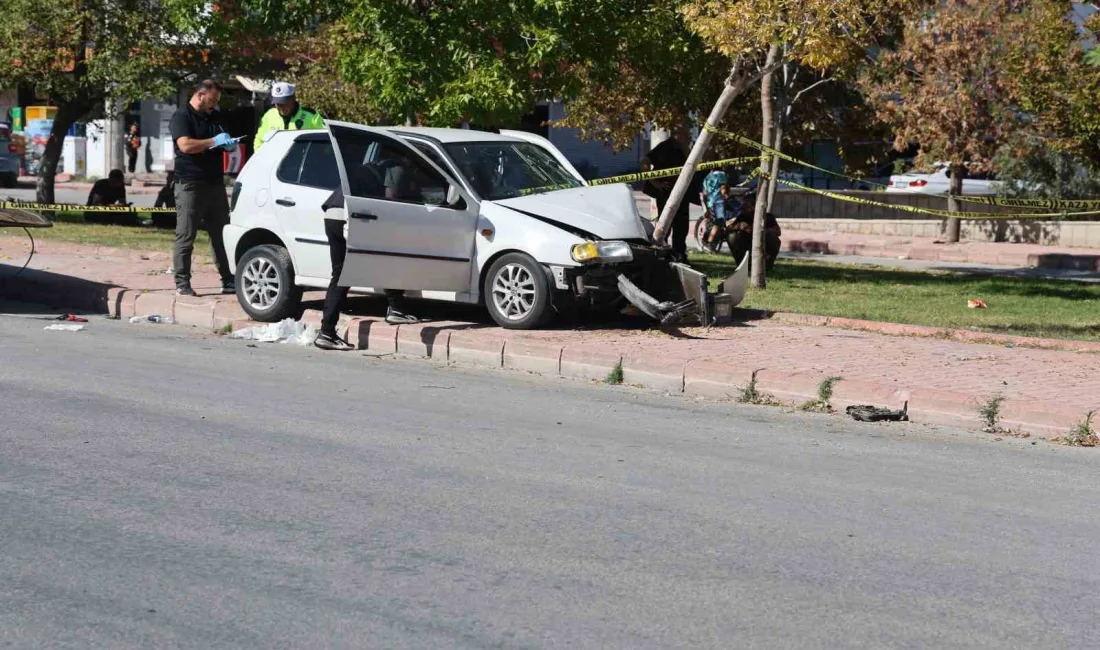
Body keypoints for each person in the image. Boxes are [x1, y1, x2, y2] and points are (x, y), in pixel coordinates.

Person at [169, 79, 237, 297]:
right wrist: (212, 141)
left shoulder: (214, 117)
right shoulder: (182, 116)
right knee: (186, 235)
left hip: (215, 183)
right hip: (190, 183)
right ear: (200, 94)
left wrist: (229, 144)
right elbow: (185, 145)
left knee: (221, 234)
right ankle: (182, 283)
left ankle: (228, 280)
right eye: (213, 99)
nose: (215, 104)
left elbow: (222, 138)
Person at [641, 137, 700, 262]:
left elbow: (696, 163)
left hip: (682, 193)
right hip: (665, 193)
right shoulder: (664, 147)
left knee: (681, 226)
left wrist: (686, 147)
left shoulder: (686, 147)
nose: (687, 133)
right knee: (665, 225)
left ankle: (679, 255)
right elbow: (644, 162)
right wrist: (654, 182)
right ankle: (662, 254)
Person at [314, 187, 355, 351]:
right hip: (348, 216)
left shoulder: (359, 168)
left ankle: (327, 331)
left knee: (339, 274)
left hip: (332, 214)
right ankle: (327, 332)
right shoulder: (390, 170)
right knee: (343, 275)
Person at [253, 82, 324, 152]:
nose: (281, 107)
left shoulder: (311, 116)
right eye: (278, 103)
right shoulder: (269, 115)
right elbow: (259, 140)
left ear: (293, 98)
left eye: (284, 102)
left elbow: (325, 142)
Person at [728, 192, 782, 271]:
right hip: (746, 242)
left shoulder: (768, 217)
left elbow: (778, 232)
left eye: (748, 204)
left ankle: (767, 265)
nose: (745, 206)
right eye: (745, 204)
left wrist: (760, 231)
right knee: (732, 236)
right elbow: (729, 228)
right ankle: (742, 264)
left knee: (774, 239)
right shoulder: (743, 217)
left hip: (763, 242)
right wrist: (739, 226)